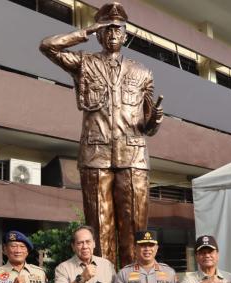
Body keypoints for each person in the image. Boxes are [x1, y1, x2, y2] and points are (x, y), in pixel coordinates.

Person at [40, 2, 164, 266]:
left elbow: (148, 126)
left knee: (134, 229)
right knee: (99, 228)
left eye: (117, 29)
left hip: (133, 156)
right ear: (98, 33)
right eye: (106, 29)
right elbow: (48, 45)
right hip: (96, 155)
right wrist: (85, 30)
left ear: (125, 34)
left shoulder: (142, 72)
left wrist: (155, 120)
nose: (112, 35)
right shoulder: (84, 62)